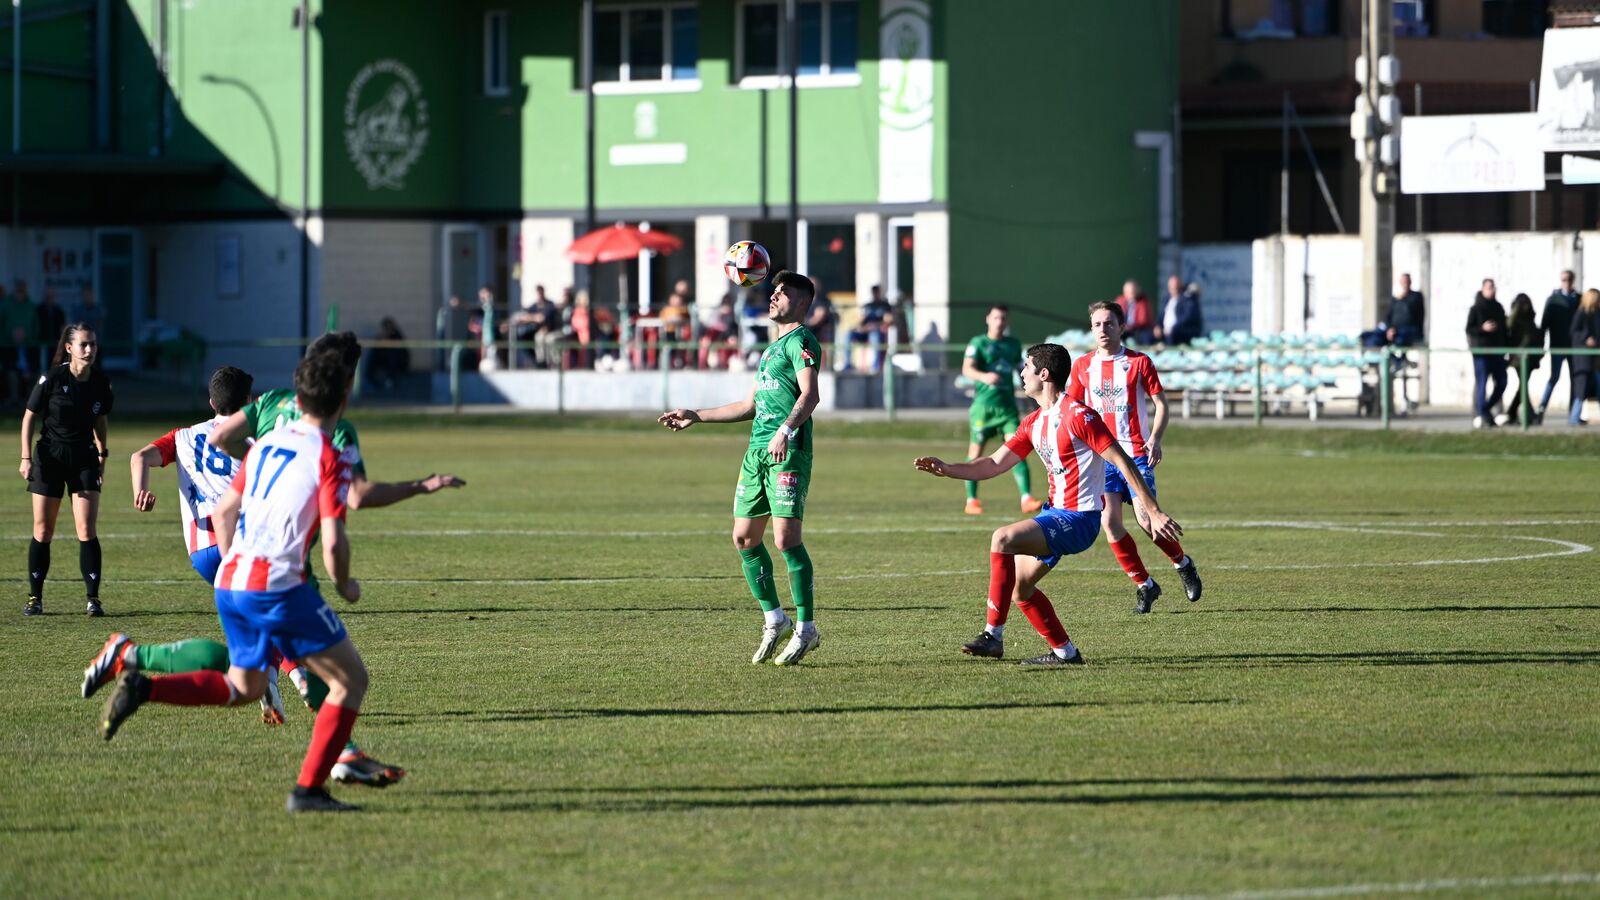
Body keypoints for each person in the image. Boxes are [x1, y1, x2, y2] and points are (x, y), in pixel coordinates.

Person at [97, 351, 375, 813]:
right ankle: (327, 765)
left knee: (241, 684)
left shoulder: (233, 441)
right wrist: (344, 583)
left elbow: (164, 470)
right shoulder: (311, 448)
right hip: (264, 568)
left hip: (223, 566)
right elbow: (334, 535)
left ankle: (145, 681)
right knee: (347, 677)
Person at [207, 332, 467, 786]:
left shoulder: (271, 403)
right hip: (287, 561)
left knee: (259, 676)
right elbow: (358, 498)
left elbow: (221, 436)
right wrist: (421, 486)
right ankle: (334, 761)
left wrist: (257, 470)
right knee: (340, 674)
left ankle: (137, 665)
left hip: (247, 548)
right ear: (345, 381)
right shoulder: (335, 432)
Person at [912, 343, 1184, 664]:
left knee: (1002, 538)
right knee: (1019, 590)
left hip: (1080, 519)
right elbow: (994, 463)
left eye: (1026, 367)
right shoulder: (1033, 422)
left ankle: (993, 636)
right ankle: (1065, 653)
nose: (1022, 374)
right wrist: (948, 469)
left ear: (1044, 374)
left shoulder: (1080, 416)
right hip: (1054, 514)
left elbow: (1124, 461)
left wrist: (1152, 509)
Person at [84, 366, 296, 726]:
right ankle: (292, 680)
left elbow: (140, 457)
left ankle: (271, 683)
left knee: (260, 626)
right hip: (236, 543)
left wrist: (140, 490)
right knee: (281, 610)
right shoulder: (251, 441)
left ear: (211, 402)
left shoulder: (183, 437)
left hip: (201, 551)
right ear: (249, 402)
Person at [659, 270, 823, 666]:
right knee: (744, 539)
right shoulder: (770, 350)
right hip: (757, 453)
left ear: (801, 302)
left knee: (786, 540)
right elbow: (750, 406)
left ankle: (807, 628)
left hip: (788, 449)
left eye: (782, 293)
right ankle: (775, 620)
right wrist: (695, 415)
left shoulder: (802, 340)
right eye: (774, 291)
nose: (773, 296)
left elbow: (811, 394)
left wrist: (785, 430)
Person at [1068, 301, 1201, 613]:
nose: (1103, 329)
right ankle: (1145, 585)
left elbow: (1162, 405)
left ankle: (1183, 564)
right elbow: (1072, 410)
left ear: (1122, 326)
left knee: (1147, 522)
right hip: (1102, 458)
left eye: (1109, 323)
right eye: (1097, 324)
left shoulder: (1139, 362)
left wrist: (1155, 438)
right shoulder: (1083, 367)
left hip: (1137, 454)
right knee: (1110, 523)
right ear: (1091, 329)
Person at [20, 323, 112, 617]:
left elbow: (100, 421)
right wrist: (26, 458)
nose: (89, 350)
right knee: (43, 530)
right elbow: (28, 417)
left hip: (84, 457)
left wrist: (102, 455)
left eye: (93, 344)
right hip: (50, 458)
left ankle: (93, 599)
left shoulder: (100, 382)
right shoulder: (52, 377)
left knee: (86, 529)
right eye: (83, 344)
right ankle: (35, 598)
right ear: (69, 347)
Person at [960, 305, 1040, 516]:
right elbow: (966, 368)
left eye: (1003, 318)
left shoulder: (1013, 345)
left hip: (1007, 408)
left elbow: (1020, 369)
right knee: (975, 454)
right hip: (983, 409)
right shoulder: (978, 343)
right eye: (995, 317)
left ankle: (1026, 498)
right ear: (988, 319)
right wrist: (984, 376)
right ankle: (972, 500)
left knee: (1018, 449)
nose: (999, 321)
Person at [1466, 278, 1509, 429]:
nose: (1491, 290)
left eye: (1493, 287)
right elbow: (1469, 329)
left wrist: (1506, 348)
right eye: (1488, 287)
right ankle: (1480, 414)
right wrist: (1482, 328)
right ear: (1483, 289)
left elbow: (1504, 330)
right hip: (1481, 352)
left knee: (1502, 382)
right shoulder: (1476, 309)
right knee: (1482, 384)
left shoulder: (1498, 308)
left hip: (1497, 352)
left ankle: (1486, 409)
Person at [1537, 271, 1578, 424]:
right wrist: (1541, 344)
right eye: (1563, 280)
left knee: (1575, 380)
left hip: (1574, 347)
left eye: (1568, 280)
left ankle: (1573, 413)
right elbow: (1544, 323)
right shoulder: (1553, 300)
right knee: (1554, 377)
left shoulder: (1578, 299)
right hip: (1558, 345)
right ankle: (1541, 408)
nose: (1566, 282)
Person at [1504, 293, 1543, 426]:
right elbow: (1508, 325)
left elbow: (1536, 337)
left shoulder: (1530, 320)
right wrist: (1516, 308)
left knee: (1522, 387)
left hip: (1530, 359)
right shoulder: (1515, 320)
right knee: (1523, 387)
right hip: (1518, 359)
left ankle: (1512, 412)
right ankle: (1529, 415)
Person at [1, 281, 38, 402]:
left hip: (27, 347)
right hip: (9, 347)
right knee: (12, 372)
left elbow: (36, 327)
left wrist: (26, 335)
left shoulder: (31, 305)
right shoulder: (5, 305)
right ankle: (13, 398)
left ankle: (31, 400)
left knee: (31, 372)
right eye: (18, 290)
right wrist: (10, 334)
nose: (20, 293)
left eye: (22, 290)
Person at [1570, 288, 1600, 426]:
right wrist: (1585, 338)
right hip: (1583, 356)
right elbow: (1573, 331)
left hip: (1595, 356)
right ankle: (1574, 417)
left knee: (1597, 385)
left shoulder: (1597, 313)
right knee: (1581, 387)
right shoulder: (1582, 313)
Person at [847, 286, 892, 372]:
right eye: (873, 292)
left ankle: (875, 366)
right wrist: (859, 327)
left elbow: (889, 320)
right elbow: (861, 320)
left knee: (875, 336)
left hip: (877, 331)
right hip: (865, 332)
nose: (875, 294)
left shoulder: (885, 306)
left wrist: (875, 325)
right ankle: (848, 364)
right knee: (849, 334)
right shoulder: (868, 306)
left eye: (876, 292)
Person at [1156, 276, 1204, 346]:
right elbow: (1161, 316)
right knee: (1147, 335)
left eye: (1176, 287)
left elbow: (1187, 317)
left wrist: (1172, 327)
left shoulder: (1188, 298)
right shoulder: (1167, 300)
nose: (1174, 289)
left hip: (1182, 331)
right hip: (1166, 331)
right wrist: (1158, 326)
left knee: (1173, 333)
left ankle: (1170, 353)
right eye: (1171, 287)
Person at [698, 293, 740, 370]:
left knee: (726, 348)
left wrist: (733, 337)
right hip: (713, 338)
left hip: (725, 339)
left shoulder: (733, 316)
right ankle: (702, 367)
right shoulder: (715, 314)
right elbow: (708, 327)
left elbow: (734, 331)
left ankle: (723, 367)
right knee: (704, 344)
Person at [366, 317, 409, 391]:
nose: (386, 330)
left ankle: (390, 381)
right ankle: (374, 383)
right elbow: (375, 356)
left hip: (396, 366)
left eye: (388, 328)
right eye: (385, 328)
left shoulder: (397, 338)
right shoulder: (381, 338)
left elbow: (399, 356)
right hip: (382, 365)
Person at [1114, 280, 1156, 345]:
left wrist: (1130, 326)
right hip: (1124, 327)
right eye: (1129, 292)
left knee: (1146, 336)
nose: (1131, 293)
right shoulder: (1120, 300)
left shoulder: (1143, 301)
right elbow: (1116, 316)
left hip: (1139, 328)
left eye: (1133, 291)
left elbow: (1143, 320)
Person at [35, 289, 67, 374]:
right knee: (41, 368)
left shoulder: (59, 311)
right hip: (41, 344)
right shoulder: (38, 310)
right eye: (47, 296)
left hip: (55, 345)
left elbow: (63, 327)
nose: (49, 298)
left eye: (51, 296)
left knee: (55, 367)